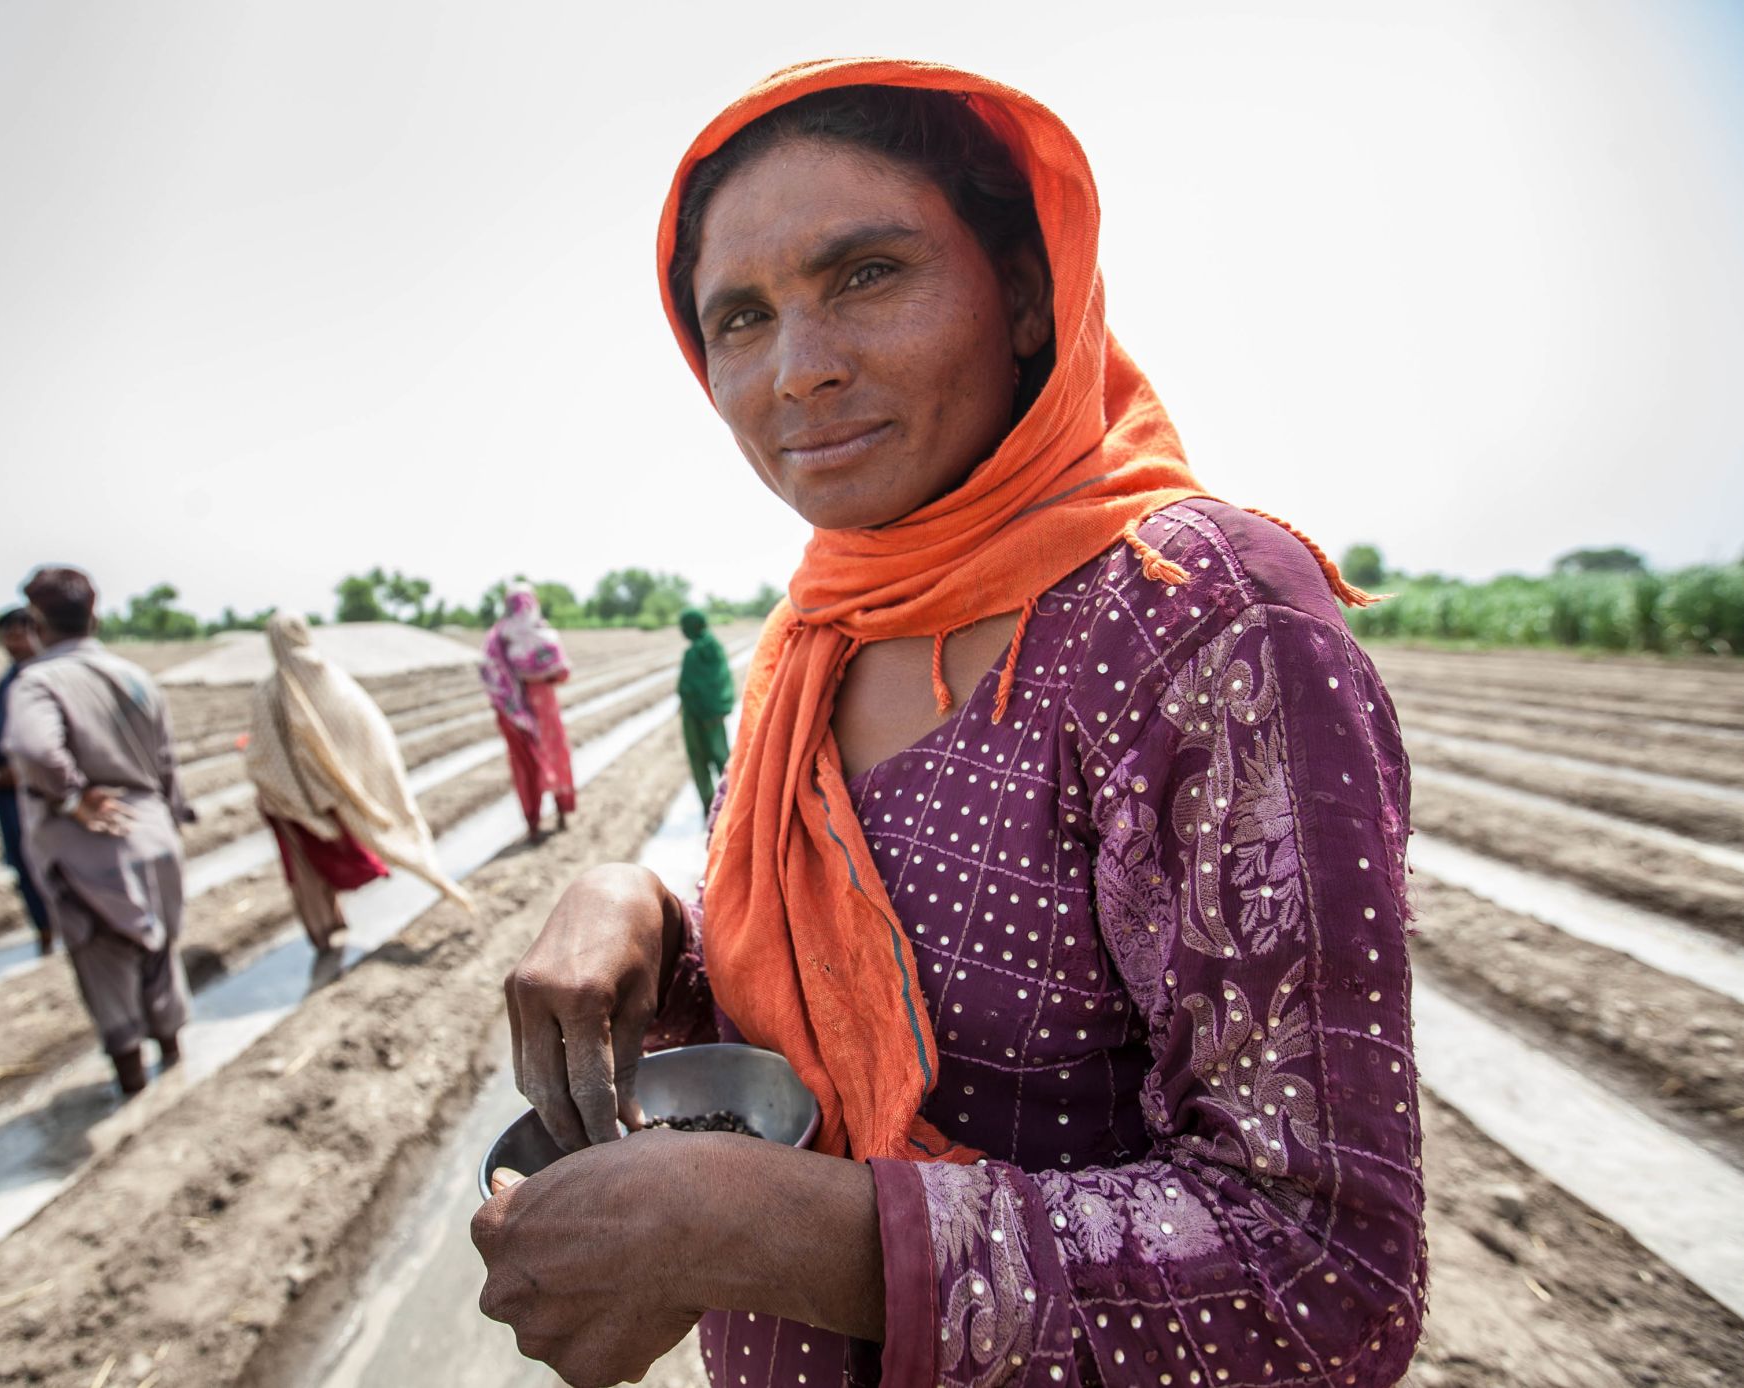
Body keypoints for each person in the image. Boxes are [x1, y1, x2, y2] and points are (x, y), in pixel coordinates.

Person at [475, 61, 1424, 1388]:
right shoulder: (821, 628)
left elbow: (1320, 1271)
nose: (798, 372)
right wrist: (645, 915)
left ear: (1028, 292)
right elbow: (836, 963)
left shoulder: (1192, 621)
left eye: (864, 273)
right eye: (738, 318)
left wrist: (745, 1228)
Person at [2, 566, 194, 1096]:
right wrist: (171, 819)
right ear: (96, 615)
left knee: (106, 968)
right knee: (160, 957)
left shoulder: (37, 680)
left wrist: (70, 796)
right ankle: (177, 1076)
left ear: (37, 623)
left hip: (92, 846)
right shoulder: (134, 676)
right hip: (153, 833)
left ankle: (135, 1089)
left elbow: (35, 749)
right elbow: (167, 762)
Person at [245, 611, 471, 952]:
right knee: (337, 853)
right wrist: (345, 782)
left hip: (288, 801)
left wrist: (297, 790)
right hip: (336, 796)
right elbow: (365, 732)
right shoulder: (329, 677)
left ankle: (325, 931)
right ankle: (336, 924)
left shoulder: (267, 691)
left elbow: (261, 756)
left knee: (307, 872)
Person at [0, 608, 52, 953]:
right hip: (9, 794)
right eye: (5, 636)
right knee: (24, 864)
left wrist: (22, 772)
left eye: (17, 634)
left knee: (54, 863)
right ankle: (45, 932)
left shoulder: (51, 677)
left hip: (46, 793)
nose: (11, 643)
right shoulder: (8, 680)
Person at [479, 583, 575, 842]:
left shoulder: (498, 636)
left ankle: (532, 822)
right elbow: (563, 672)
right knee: (555, 755)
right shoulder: (541, 631)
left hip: (514, 714)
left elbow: (488, 674)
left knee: (526, 766)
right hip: (543, 704)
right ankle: (561, 813)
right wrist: (541, 674)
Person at [676, 607, 735, 813]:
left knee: (699, 761)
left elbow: (687, 688)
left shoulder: (693, 654)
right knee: (722, 757)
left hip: (695, 717)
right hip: (716, 715)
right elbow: (722, 680)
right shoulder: (715, 647)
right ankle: (731, 802)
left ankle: (710, 807)